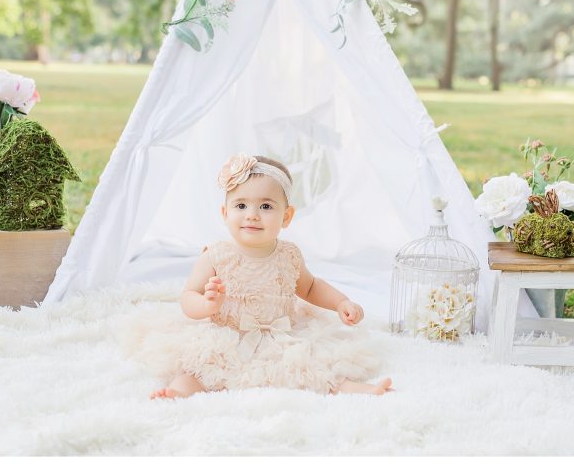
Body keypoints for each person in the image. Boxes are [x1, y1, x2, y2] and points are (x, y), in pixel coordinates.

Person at [148, 153, 392, 399]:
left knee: (309, 364)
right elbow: (189, 296)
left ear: (286, 216)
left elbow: (310, 287)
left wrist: (340, 302)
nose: (252, 214)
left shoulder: (289, 255)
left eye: (265, 206)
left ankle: (350, 389)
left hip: (280, 335)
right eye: (241, 206)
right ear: (225, 213)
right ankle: (179, 391)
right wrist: (206, 304)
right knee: (197, 367)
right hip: (228, 336)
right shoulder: (216, 255)